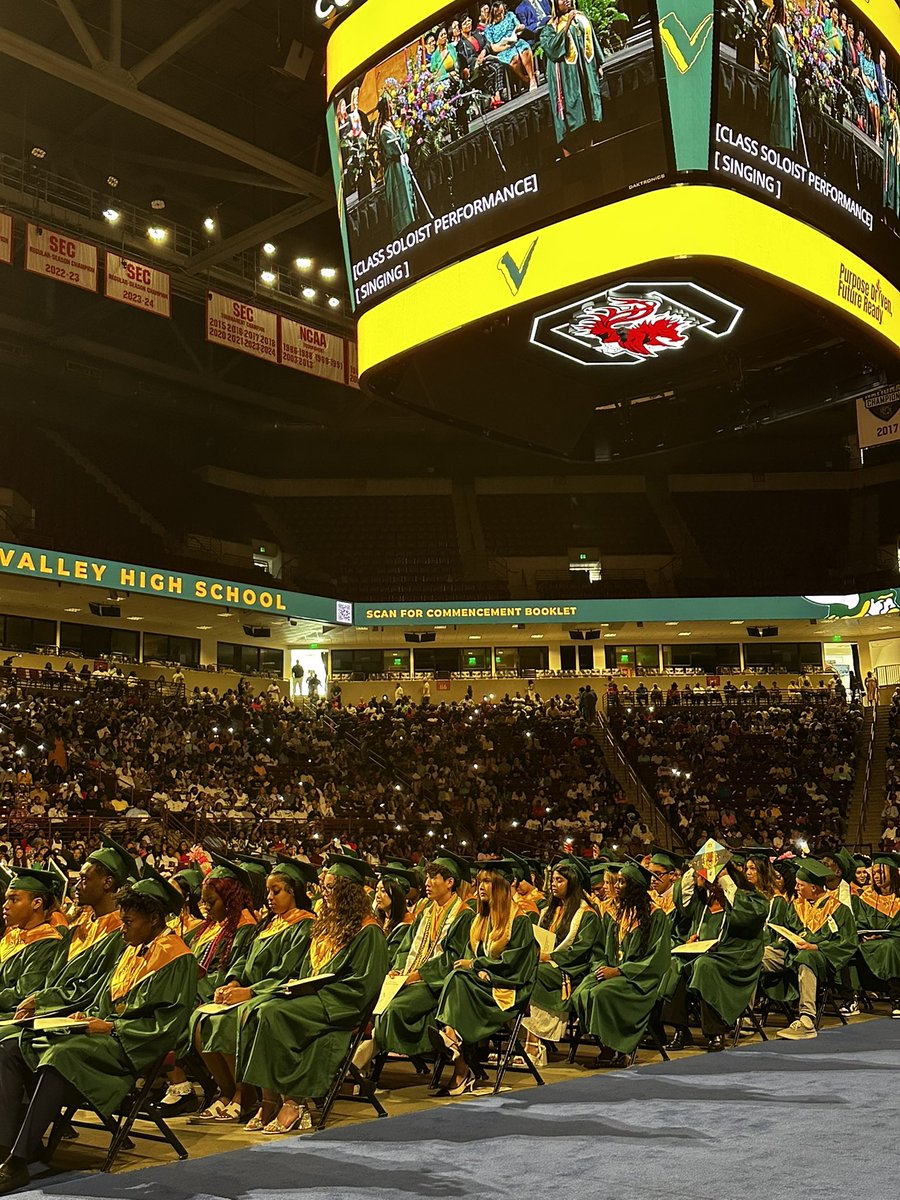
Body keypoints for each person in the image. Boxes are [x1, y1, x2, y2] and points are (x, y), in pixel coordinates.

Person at [0, 870, 196, 1192]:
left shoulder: (176, 956)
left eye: (128, 921)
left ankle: (18, 1162)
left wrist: (112, 1026)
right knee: (12, 1047)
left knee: (60, 1056)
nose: (122, 929)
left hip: (129, 1048)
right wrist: (86, 1015)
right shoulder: (133, 947)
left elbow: (167, 1025)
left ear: (154, 919)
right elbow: (103, 999)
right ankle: (7, 1146)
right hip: (101, 1037)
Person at [236, 854, 388, 1133]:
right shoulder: (328, 925)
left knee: (273, 1012)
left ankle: (291, 1102)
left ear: (348, 892)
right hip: (314, 998)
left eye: (331, 888)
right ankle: (269, 1099)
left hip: (341, 1006)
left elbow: (363, 986)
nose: (324, 893)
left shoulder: (369, 931)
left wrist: (318, 994)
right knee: (256, 1009)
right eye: (324, 887)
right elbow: (309, 968)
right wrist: (300, 985)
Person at [192, 859, 316, 1127]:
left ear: (293, 892)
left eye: (276, 891)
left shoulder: (304, 924)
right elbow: (243, 958)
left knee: (228, 1019)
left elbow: (287, 971)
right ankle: (227, 1090)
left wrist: (249, 992)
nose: (269, 897)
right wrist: (233, 982)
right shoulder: (269, 923)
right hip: (249, 991)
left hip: (272, 993)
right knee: (201, 1019)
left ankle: (247, 1094)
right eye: (268, 891)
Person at [432, 859, 539, 1094]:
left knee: (459, 980)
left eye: (488, 882)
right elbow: (467, 956)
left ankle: (453, 1043)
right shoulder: (480, 919)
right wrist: (474, 968)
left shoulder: (519, 920)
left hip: (506, 989)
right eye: (479, 882)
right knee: (457, 978)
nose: (481, 887)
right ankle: (454, 1043)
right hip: (479, 985)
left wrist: (479, 966)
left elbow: (515, 966)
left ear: (501, 886)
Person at [359, 851, 475, 1067]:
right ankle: (361, 1060)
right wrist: (398, 969)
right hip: (409, 977)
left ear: (450, 882)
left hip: (436, 983)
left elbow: (452, 957)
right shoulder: (426, 911)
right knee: (373, 1000)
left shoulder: (463, 915)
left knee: (395, 1008)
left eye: (433, 878)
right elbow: (407, 946)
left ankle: (361, 1060)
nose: (427, 883)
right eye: (427, 877)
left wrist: (419, 975)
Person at [8, 839, 133, 1028]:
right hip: (46, 1012)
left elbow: (90, 990)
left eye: (84, 879)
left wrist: (41, 1001)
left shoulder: (121, 935)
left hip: (74, 1018)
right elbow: (52, 977)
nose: (77, 886)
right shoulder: (79, 926)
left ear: (107, 883)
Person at [662, 841, 767, 1052]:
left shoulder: (750, 897)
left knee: (704, 966)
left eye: (703, 876)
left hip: (734, 957)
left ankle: (715, 1032)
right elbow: (683, 901)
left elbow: (747, 916)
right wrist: (696, 866)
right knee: (674, 964)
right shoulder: (703, 901)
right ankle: (681, 1030)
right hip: (704, 955)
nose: (699, 880)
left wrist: (725, 879)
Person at [571, 862, 671, 1066]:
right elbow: (599, 949)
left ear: (634, 887)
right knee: (581, 992)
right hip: (612, 973)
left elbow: (656, 959)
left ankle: (612, 1050)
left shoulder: (655, 915)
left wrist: (620, 971)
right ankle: (605, 1045)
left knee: (602, 994)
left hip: (639, 981)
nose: (616, 886)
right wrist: (600, 967)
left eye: (622, 882)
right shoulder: (615, 914)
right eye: (617, 881)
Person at [522, 856, 599, 1063]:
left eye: (560, 880)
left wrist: (550, 956)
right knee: (522, 972)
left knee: (534, 974)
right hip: (545, 964)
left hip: (571, 970)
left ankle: (533, 1045)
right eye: (553, 880)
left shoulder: (586, 914)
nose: (553, 885)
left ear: (572, 883)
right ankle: (528, 1042)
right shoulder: (548, 911)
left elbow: (580, 950)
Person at [773, 858, 858, 1040]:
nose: (796, 888)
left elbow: (848, 943)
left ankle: (806, 1021)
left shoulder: (839, 909)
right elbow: (789, 929)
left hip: (822, 959)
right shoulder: (796, 906)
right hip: (792, 952)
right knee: (760, 955)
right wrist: (786, 939)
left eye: (800, 885)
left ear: (813, 887)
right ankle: (744, 1016)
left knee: (807, 957)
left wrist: (816, 946)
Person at [0, 867, 66, 1018]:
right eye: (6, 899)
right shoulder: (13, 935)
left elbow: (22, 994)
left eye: (14, 900)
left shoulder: (48, 942)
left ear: (37, 903)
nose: (5, 905)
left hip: (12, 1016)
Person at [852, 853, 900, 1017]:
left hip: (895, 941)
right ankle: (851, 998)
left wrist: (885, 935)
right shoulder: (867, 897)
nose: (876, 877)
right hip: (870, 942)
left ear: (892, 873)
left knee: (890, 946)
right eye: (874, 873)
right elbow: (860, 922)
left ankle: (896, 997)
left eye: (880, 872)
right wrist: (865, 933)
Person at [377, 95, 417, 238]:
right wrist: (403, 125)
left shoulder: (389, 125)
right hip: (395, 171)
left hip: (400, 166)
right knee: (401, 201)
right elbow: (398, 148)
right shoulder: (384, 131)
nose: (392, 107)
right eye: (390, 104)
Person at [485, 1, 538, 92]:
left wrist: (519, 28)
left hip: (515, 41)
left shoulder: (510, 15)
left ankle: (532, 78)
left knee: (524, 50)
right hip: (503, 49)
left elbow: (519, 27)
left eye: (502, 12)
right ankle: (525, 79)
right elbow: (493, 47)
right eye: (498, 14)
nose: (501, 15)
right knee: (514, 59)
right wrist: (505, 47)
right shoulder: (489, 28)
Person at [767, 0, 796, 151]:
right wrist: (790, 60)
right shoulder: (775, 30)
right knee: (780, 110)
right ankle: (779, 144)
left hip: (786, 75)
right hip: (779, 75)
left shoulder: (783, 30)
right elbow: (781, 56)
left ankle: (788, 146)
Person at [374, 866, 416, 958]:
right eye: (377, 890)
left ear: (396, 895)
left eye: (383, 891)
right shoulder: (381, 919)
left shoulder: (406, 925)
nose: (377, 895)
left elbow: (392, 956)